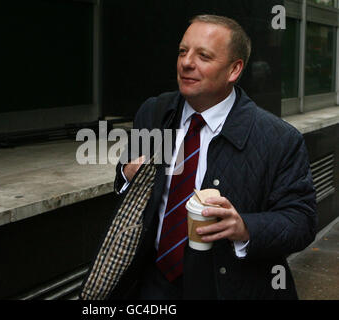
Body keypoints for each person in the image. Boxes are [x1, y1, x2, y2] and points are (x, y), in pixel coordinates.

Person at [82, 14, 317, 300]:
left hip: (228, 286)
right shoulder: (156, 112)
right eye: (183, 52)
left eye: (203, 56)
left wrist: (244, 227)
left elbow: (301, 222)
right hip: (154, 282)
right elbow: (129, 176)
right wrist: (127, 173)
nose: (186, 62)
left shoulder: (279, 138)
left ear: (234, 70)